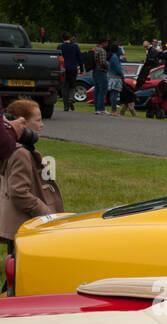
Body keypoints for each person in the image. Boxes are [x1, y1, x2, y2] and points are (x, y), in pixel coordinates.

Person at [1, 100, 63, 286]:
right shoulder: (21, 153)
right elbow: (19, 192)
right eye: (37, 120)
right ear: (22, 123)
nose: (42, 124)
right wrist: (46, 214)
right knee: (20, 276)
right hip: (23, 223)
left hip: (24, 222)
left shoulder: (24, 150)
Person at [58, 33, 80, 112]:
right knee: (72, 85)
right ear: (70, 38)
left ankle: (66, 106)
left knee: (64, 87)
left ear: (62, 38)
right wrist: (81, 65)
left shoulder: (60, 47)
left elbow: (58, 57)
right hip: (73, 68)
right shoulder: (75, 46)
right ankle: (71, 97)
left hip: (63, 68)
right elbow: (79, 57)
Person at [91, 38, 109, 116]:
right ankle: (101, 109)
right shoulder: (102, 50)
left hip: (94, 71)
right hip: (101, 71)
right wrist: (108, 65)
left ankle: (97, 108)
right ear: (103, 43)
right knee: (103, 89)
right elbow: (102, 62)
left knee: (97, 90)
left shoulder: (95, 49)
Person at [106, 42, 125, 114]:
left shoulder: (111, 56)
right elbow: (118, 68)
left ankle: (113, 109)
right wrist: (122, 75)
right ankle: (113, 110)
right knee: (115, 93)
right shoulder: (114, 57)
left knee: (112, 94)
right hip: (116, 77)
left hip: (111, 76)